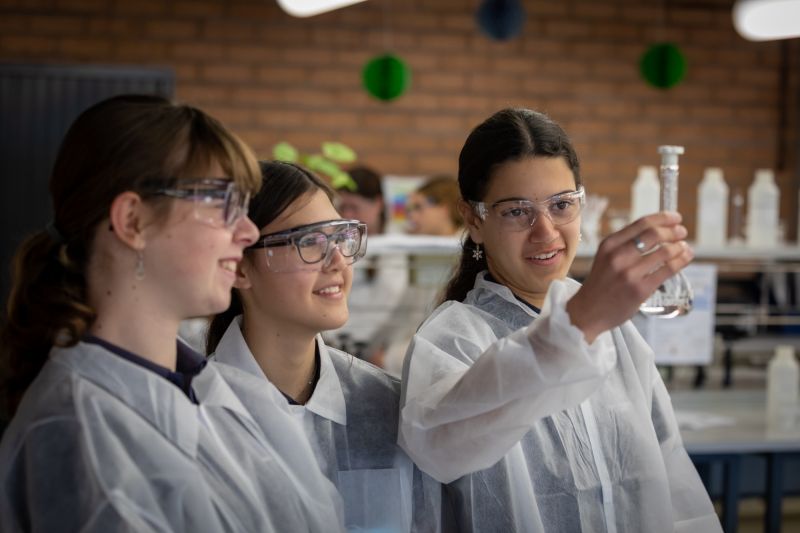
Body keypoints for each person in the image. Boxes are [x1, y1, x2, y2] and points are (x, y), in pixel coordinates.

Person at [0, 95, 343, 532]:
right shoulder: (77, 431)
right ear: (133, 220)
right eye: (222, 204)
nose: (248, 231)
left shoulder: (226, 393)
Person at [398, 108, 722, 532]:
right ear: (474, 219)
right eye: (517, 211)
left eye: (561, 205)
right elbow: (436, 446)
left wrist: (588, 319)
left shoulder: (615, 331)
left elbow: (674, 482)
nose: (546, 232)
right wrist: (580, 323)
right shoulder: (453, 338)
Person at [206, 160, 443, 532]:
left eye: (340, 238)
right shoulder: (196, 413)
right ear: (239, 266)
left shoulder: (386, 407)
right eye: (310, 242)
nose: (338, 262)